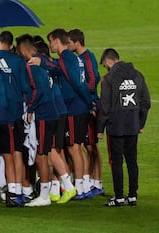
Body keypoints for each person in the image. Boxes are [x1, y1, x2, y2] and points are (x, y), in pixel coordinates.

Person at [17, 34, 77, 206]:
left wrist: (31, 108)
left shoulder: (32, 65)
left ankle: (44, 196)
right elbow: (58, 70)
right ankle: (67, 185)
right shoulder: (42, 59)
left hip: (44, 113)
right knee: (50, 150)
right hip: (54, 111)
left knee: (41, 155)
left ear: (22, 49)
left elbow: (39, 90)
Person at [97, 48, 151, 207]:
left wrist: (100, 129)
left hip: (115, 127)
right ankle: (133, 195)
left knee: (116, 162)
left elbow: (105, 107)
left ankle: (119, 197)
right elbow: (146, 102)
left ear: (107, 62)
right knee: (132, 161)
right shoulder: (138, 75)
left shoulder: (109, 78)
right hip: (133, 126)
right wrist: (140, 124)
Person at [0, 31, 32, 205]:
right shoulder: (19, 61)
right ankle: (16, 192)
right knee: (14, 153)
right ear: (11, 45)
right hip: (14, 113)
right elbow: (25, 87)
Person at [47, 28, 93, 200]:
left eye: (51, 41)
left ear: (57, 41)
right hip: (78, 106)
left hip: (74, 107)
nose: (50, 44)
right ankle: (82, 186)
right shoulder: (71, 58)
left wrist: (88, 101)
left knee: (74, 148)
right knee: (76, 148)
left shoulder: (66, 58)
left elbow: (77, 83)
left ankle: (80, 188)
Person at [68, 29, 104, 196]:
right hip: (85, 103)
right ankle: (91, 181)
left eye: (69, 43)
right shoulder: (79, 58)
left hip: (89, 104)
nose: (68, 46)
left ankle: (96, 182)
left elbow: (93, 78)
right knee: (86, 145)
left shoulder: (87, 58)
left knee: (91, 146)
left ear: (77, 43)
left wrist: (88, 99)